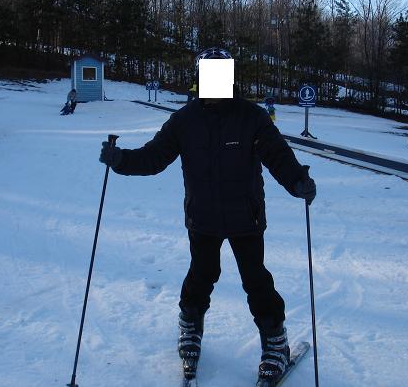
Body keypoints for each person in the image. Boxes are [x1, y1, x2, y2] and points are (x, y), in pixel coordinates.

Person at [99, 47, 316, 384]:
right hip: (203, 217)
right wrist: (121, 160)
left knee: (256, 280)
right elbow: (154, 157)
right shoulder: (184, 121)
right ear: (199, 78)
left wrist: (298, 181)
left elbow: (278, 156)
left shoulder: (252, 117)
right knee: (201, 276)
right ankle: (190, 326)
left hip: (246, 217)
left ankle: (275, 342)